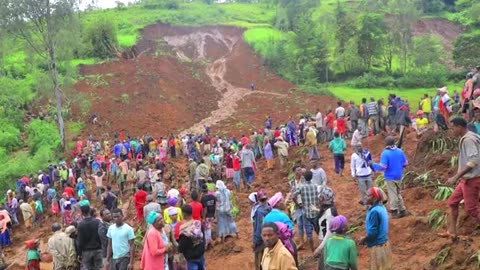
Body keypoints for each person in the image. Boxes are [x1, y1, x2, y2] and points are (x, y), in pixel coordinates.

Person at [445, 117, 480, 239]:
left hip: (471, 179)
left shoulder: (468, 140)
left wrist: (456, 176)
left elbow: (474, 160)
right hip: (465, 179)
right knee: (452, 202)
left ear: (459, 127)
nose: (452, 130)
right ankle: (452, 232)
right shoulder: (470, 136)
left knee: (472, 209)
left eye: (453, 128)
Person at [372, 136, 408, 218]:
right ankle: (402, 209)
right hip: (399, 175)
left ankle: (394, 211)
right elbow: (405, 163)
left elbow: (383, 166)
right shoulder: (400, 151)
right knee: (398, 192)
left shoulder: (385, 153)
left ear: (386, 144)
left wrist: (373, 165)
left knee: (393, 193)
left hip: (390, 176)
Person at [360, 187, 391, 270]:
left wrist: (364, 239)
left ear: (374, 198)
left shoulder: (374, 211)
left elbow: (372, 232)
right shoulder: (381, 208)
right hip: (384, 242)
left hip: (377, 245)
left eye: (368, 195)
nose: (365, 197)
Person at [294, 171, 320, 252]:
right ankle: (322, 247)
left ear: (304, 177)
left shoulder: (301, 187)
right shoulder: (316, 186)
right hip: (315, 212)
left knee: (309, 234)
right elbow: (320, 196)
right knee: (319, 230)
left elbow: (294, 196)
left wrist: (298, 204)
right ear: (312, 177)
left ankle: (313, 251)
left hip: (306, 213)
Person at [313, 186, 337, 270]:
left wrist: (320, 248)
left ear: (323, 198)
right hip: (325, 243)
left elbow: (330, 232)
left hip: (328, 245)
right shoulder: (326, 209)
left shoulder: (329, 212)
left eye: (320, 196)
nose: (319, 198)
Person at [178, 204, 206, 270]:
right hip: (200, 253)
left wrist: (178, 249)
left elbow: (182, 247)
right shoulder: (198, 223)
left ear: (183, 214)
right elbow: (203, 237)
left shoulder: (184, 230)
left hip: (191, 258)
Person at [77, 203, 103, 270]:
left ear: (82, 213)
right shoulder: (97, 222)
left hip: (86, 252)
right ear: (89, 211)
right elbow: (101, 235)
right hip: (98, 249)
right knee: (99, 268)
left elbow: (80, 241)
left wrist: (79, 253)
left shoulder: (80, 225)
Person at [252, 189, 270, 270]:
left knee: (259, 261)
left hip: (261, 239)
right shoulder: (269, 208)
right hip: (270, 237)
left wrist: (255, 241)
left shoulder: (259, 211)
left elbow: (258, 227)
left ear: (258, 199)